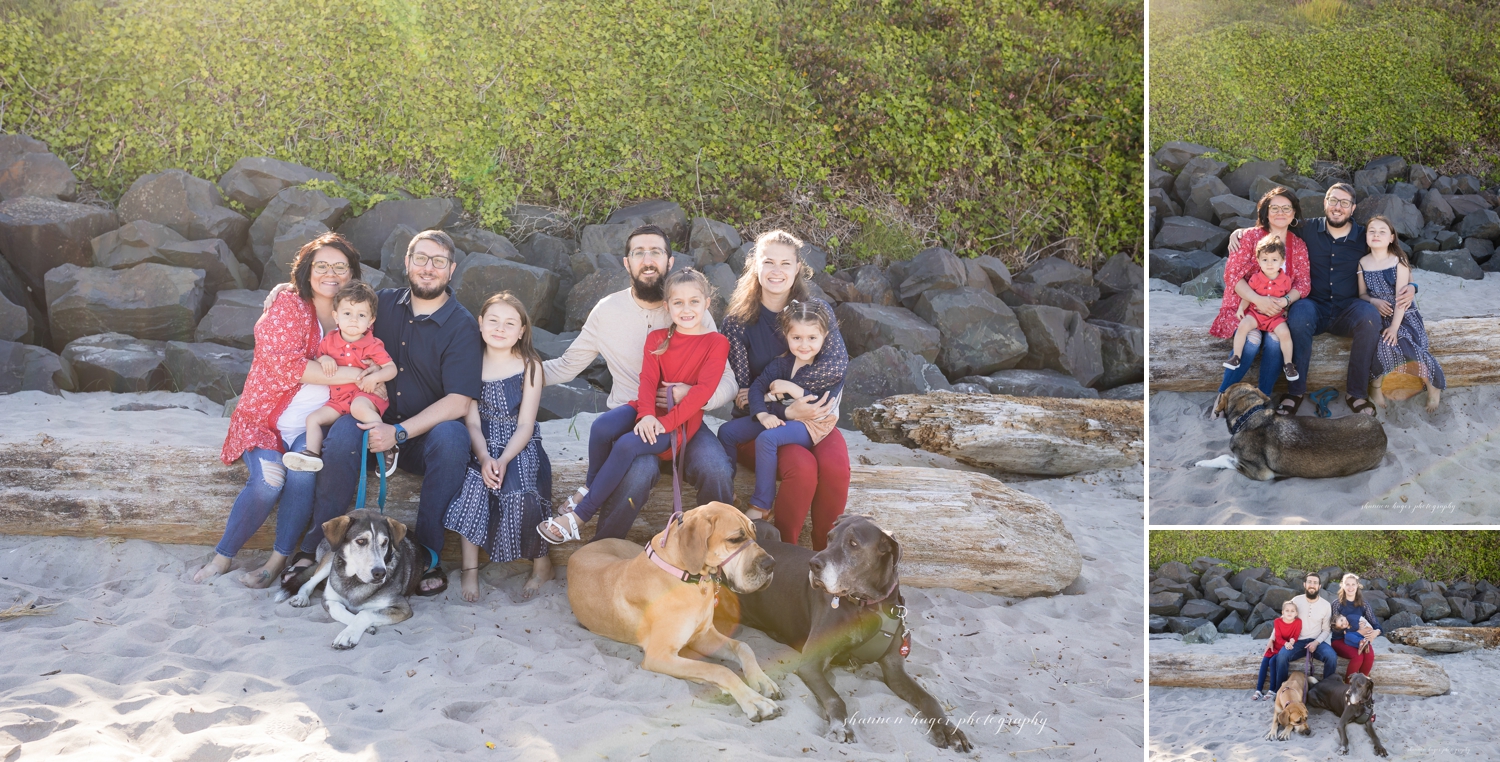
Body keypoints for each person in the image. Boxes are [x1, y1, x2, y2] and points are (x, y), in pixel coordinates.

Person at [266, 229, 483, 596]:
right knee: (342, 433)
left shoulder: (462, 325)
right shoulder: (379, 304)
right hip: (366, 417)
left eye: (438, 261)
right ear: (407, 262)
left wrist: (398, 434)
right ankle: (317, 548)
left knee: (452, 436)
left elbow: (460, 402)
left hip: (417, 437)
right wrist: (284, 291)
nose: (428, 268)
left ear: (451, 269)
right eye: (420, 259)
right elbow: (333, 303)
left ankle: (427, 555)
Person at [199, 233, 380, 587]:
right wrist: (360, 375)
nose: (331, 273)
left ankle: (277, 560)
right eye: (321, 266)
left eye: (340, 266)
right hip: (265, 421)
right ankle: (223, 557)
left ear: (353, 273)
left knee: (303, 473)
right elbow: (290, 366)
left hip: (308, 430)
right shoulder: (289, 305)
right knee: (268, 482)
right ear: (307, 271)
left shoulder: (360, 312)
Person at [541, 225, 737, 542]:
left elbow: (725, 380)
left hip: (687, 418)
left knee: (716, 469)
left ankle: (720, 549)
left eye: (656, 252)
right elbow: (566, 365)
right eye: (639, 253)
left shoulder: (691, 309)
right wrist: (517, 373)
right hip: (631, 417)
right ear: (627, 263)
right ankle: (601, 552)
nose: (648, 260)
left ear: (670, 262)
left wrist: (696, 398)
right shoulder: (607, 311)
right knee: (636, 474)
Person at [1228, 183, 1418, 417]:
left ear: (1353, 207)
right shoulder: (1306, 229)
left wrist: (1412, 285)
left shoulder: (1363, 235)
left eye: (1344, 203)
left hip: (1348, 307)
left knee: (1369, 317)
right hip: (1313, 305)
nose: (1338, 207)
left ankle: (1356, 394)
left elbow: (1393, 256)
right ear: (1325, 202)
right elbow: (1277, 222)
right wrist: (1241, 232)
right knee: (1298, 315)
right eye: (1333, 201)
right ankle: (1295, 392)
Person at [719, 229, 850, 550]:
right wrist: (788, 410)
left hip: (815, 417)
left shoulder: (815, 311)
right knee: (802, 470)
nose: (777, 271)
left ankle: (824, 551)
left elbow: (837, 366)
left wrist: (794, 393)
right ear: (756, 267)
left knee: (836, 467)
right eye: (768, 262)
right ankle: (785, 551)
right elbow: (745, 394)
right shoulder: (738, 322)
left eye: (785, 263)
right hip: (762, 424)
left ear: (797, 269)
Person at [443, 293, 552, 602]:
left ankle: (542, 563)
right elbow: (473, 422)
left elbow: (526, 424)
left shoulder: (530, 366)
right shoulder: (470, 363)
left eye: (509, 323)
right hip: (480, 439)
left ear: (521, 331)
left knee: (518, 492)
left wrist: (503, 459)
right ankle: (470, 569)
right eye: (493, 320)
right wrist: (484, 456)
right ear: (480, 324)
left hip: (519, 442)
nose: (500, 328)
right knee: (473, 488)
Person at [716, 300, 844, 522]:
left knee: (767, 438)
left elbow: (819, 404)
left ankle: (762, 505)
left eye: (812, 338)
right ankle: (728, 492)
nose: (804, 345)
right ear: (787, 336)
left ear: (825, 337)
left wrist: (793, 389)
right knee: (726, 431)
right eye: (797, 338)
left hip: (812, 425)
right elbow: (755, 388)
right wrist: (763, 413)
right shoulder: (782, 364)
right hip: (781, 416)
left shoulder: (826, 370)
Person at [282, 282, 397, 472]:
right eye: (347, 314)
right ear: (336, 316)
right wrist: (324, 358)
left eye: (361, 315)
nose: (353, 320)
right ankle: (311, 454)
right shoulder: (329, 340)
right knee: (313, 419)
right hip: (338, 400)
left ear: (370, 321)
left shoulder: (373, 345)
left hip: (365, 395)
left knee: (359, 408)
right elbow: (319, 356)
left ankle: (387, 445)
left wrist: (374, 378)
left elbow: (390, 369)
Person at [1211, 187, 1310, 408]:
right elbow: (1232, 276)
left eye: (1286, 208)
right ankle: (1223, 397)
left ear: (1294, 214)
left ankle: (1263, 398)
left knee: (1276, 342)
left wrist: (1284, 302)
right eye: (1274, 208)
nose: (1280, 212)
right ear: (1265, 212)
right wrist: (1258, 300)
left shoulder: (1299, 245)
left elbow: (1303, 283)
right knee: (1251, 341)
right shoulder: (1248, 237)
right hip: (1247, 306)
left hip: (1278, 310)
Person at [1358, 216, 1444, 413]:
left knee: (1402, 341)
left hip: (1404, 315)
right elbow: (1361, 294)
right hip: (1380, 315)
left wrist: (1395, 328)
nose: (1376, 234)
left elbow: (1401, 299)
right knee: (1381, 344)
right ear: (1366, 237)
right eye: (1372, 231)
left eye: (1382, 231)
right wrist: (1373, 301)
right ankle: (1376, 387)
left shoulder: (1399, 261)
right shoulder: (1362, 263)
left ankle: (1433, 384)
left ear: (1391, 238)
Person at [1225, 235, 1299, 383]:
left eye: (1274, 259)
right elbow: (1248, 296)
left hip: (1275, 317)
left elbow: (1287, 298)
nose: (1269, 264)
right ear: (1258, 261)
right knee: (1243, 325)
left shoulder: (1286, 280)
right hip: (1256, 314)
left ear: (1282, 261)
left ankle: (1288, 364)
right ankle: (1236, 356)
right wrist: (1241, 309)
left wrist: (1286, 308)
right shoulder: (1255, 278)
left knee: (1284, 333)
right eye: (1265, 260)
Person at [1272, 573, 1339, 685]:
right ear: (1304, 584)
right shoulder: (1296, 601)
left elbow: (1326, 630)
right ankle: (1281, 689)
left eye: (1315, 583)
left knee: (1331, 657)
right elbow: (1282, 620)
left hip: (1316, 641)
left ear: (1319, 586)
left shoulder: (1326, 605)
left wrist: (1316, 642)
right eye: (1309, 582)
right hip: (1296, 641)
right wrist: (1271, 638)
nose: (1312, 585)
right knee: (1282, 656)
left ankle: (1327, 688)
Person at [1331, 573, 1382, 681]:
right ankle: (1348, 687)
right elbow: (1334, 628)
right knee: (1358, 657)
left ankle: (1362, 686)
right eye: (1347, 584)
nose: (1350, 587)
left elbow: (1376, 624)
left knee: (1369, 655)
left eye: (1353, 584)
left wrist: (1375, 632)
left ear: (1358, 585)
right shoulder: (1337, 604)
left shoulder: (1364, 605)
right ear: (1342, 586)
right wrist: (1359, 630)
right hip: (1340, 640)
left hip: (1360, 639)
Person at [1254, 600, 1302, 700]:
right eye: (1287, 610)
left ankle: (1272, 690)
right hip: (1277, 645)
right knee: (1264, 662)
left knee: (1272, 661)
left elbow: (1296, 636)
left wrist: (1292, 642)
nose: (1289, 613)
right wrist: (1286, 643)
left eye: (1292, 611)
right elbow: (1278, 637)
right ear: (1282, 612)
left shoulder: (1298, 622)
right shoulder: (1277, 621)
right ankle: (1258, 690)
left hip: (1284, 648)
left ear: (1296, 613)